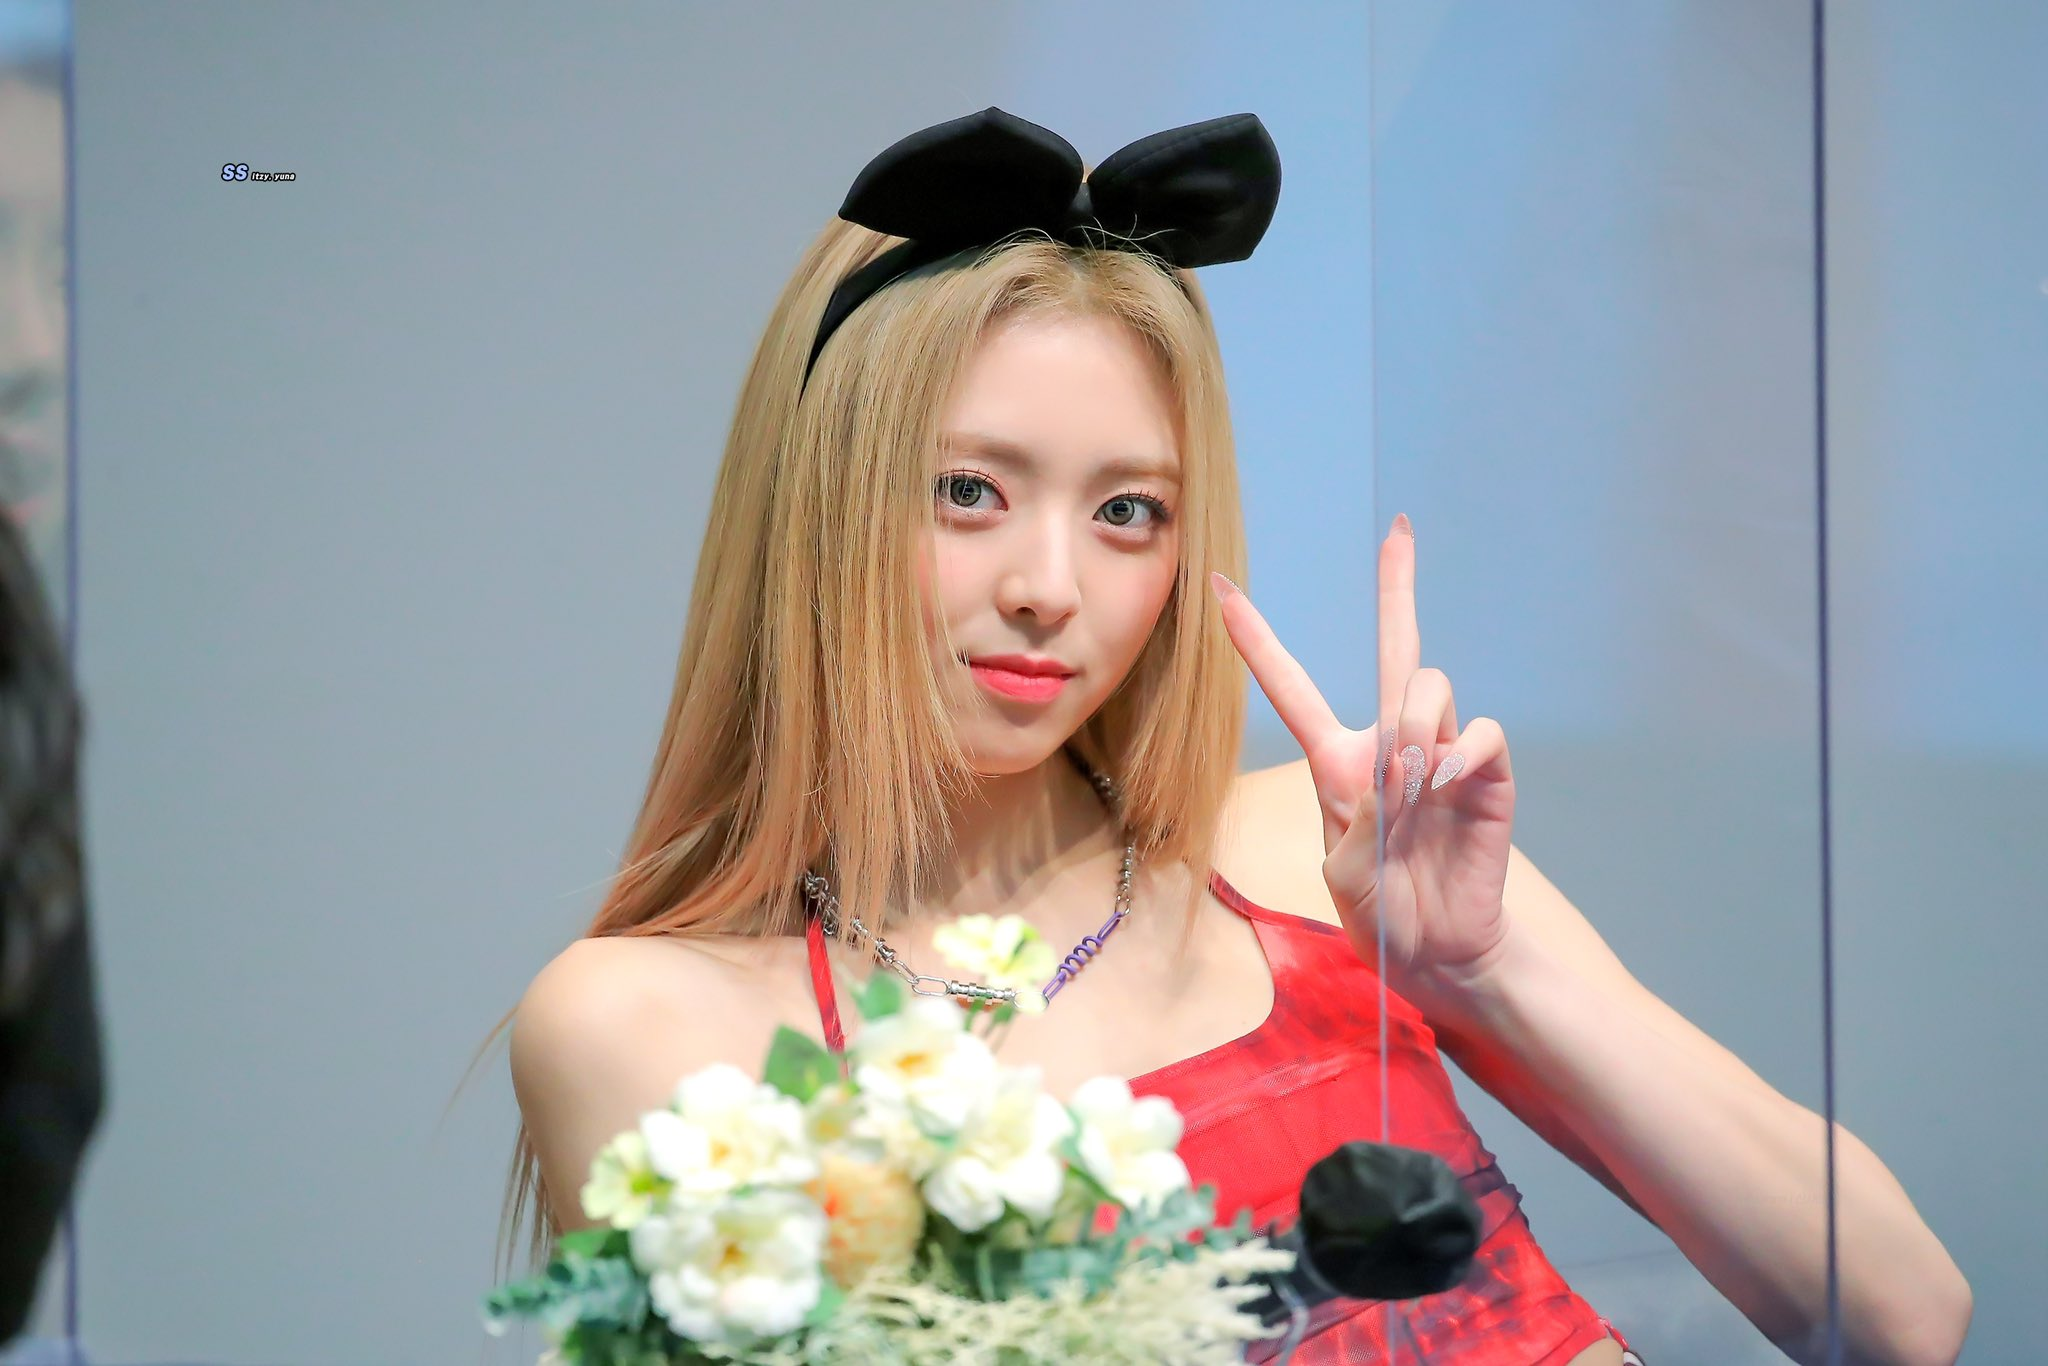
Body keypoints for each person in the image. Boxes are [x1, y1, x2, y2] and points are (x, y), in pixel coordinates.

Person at [482, 108, 1969, 1364]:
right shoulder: (653, 1025)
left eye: (1128, 510)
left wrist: (1483, 974)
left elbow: (1904, 1312)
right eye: (968, 491)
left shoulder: (1307, 858)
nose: (1051, 587)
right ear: (819, 506)